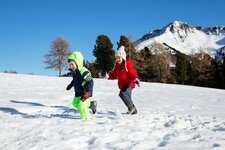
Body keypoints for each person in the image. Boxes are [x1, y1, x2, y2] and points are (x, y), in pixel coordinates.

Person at [107, 46, 140, 114]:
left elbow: (132, 72)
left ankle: (132, 108)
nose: (118, 59)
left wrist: (136, 78)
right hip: (123, 85)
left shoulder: (127, 64)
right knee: (128, 98)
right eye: (116, 58)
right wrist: (107, 76)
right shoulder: (117, 67)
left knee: (122, 94)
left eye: (119, 57)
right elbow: (114, 75)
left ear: (123, 57)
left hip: (130, 83)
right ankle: (133, 111)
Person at [66, 51, 96, 120]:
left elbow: (90, 83)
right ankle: (91, 104)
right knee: (75, 104)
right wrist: (70, 85)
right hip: (78, 93)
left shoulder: (84, 72)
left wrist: (87, 94)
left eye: (72, 64)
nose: (71, 66)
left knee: (82, 106)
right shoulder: (75, 72)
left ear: (78, 62)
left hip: (85, 93)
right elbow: (76, 80)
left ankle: (87, 119)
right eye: (70, 65)